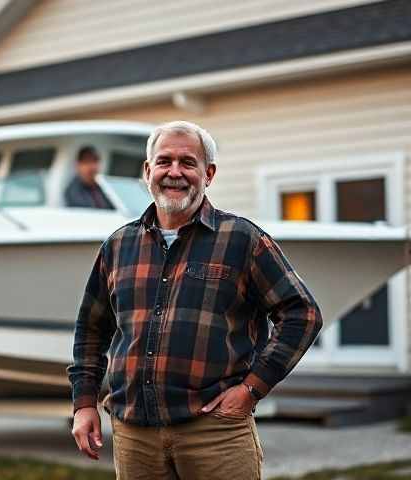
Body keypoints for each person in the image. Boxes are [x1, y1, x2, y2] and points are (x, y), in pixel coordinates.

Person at [67, 120, 323, 479]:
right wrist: (83, 404)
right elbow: (91, 329)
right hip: (134, 435)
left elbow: (303, 313)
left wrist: (251, 389)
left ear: (209, 173)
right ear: (147, 171)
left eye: (188, 162)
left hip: (215, 433)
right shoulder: (118, 246)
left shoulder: (241, 239)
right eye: (164, 161)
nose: (175, 172)